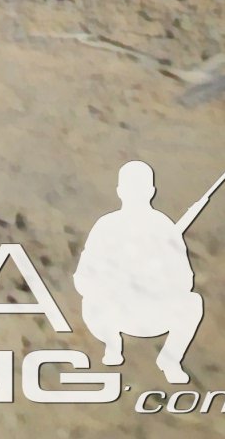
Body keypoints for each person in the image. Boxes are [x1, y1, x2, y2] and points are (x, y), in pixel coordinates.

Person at [75, 159, 209, 385]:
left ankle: (170, 359)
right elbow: (83, 278)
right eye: (130, 188)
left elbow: (185, 280)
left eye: (140, 188)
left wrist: (156, 279)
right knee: (91, 302)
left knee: (192, 303)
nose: (134, 193)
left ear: (151, 191)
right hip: (114, 312)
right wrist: (112, 283)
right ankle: (112, 344)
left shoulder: (164, 227)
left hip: (154, 310)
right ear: (119, 191)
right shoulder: (106, 226)